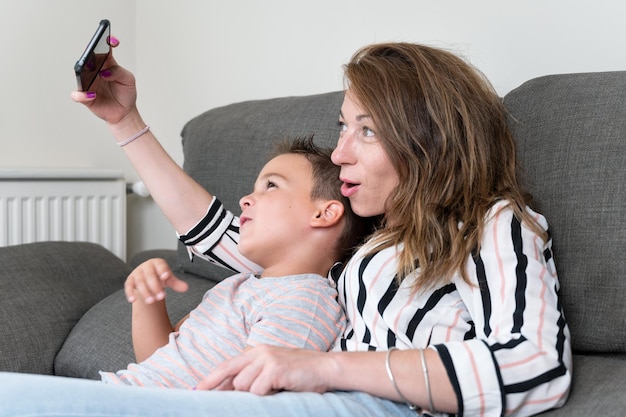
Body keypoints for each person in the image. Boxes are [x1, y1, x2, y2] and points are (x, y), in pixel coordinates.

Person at [0, 39, 571, 417]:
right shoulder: (354, 250)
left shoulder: (495, 224)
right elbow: (223, 233)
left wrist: (322, 366)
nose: (341, 152)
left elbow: (534, 366)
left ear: (429, 139)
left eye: (366, 132)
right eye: (342, 128)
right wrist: (126, 121)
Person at [100, 136, 369, 388]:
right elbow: (159, 363)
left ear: (324, 213)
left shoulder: (306, 300)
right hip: (128, 392)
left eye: (271, 185)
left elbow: (242, 401)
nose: (245, 200)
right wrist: (147, 300)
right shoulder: (237, 286)